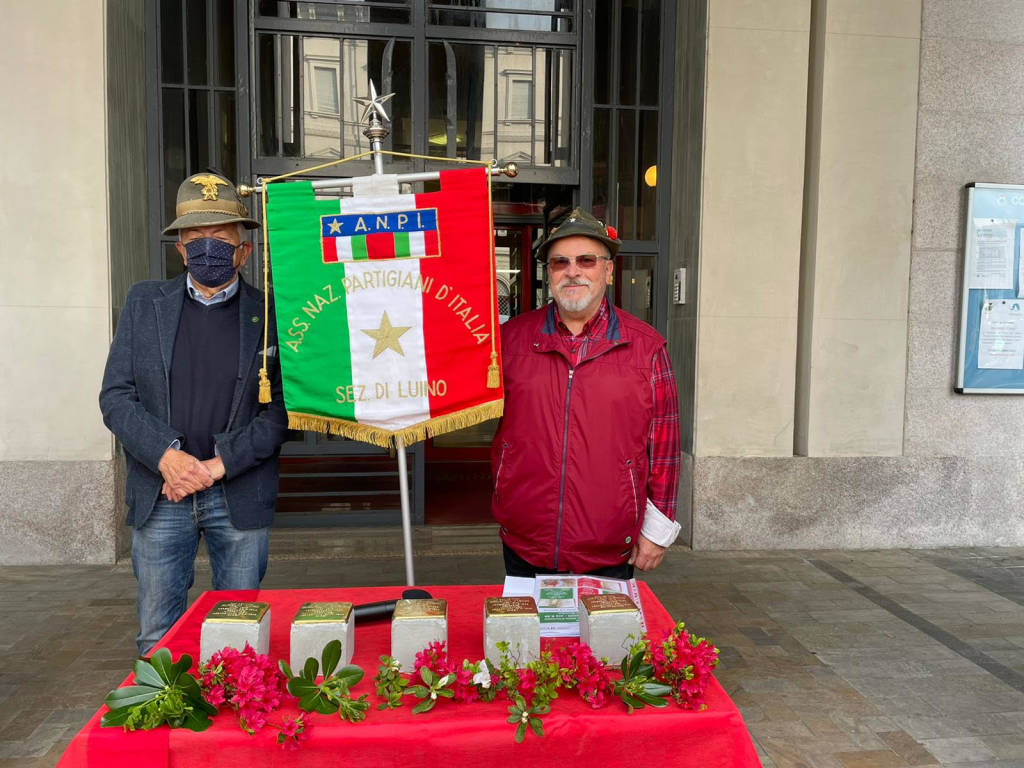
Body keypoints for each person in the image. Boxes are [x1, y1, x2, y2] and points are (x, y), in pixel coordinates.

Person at [100, 172, 288, 655]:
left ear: (243, 250)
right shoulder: (145, 304)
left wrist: (212, 467)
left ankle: (234, 718)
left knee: (241, 631)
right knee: (157, 631)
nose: (207, 248)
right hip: (163, 493)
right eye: (195, 239)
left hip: (237, 492)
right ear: (180, 250)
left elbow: (279, 415)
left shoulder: (271, 314)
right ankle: (162, 718)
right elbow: (116, 396)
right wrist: (169, 458)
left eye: (220, 239)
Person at [491, 208, 681, 579]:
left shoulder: (646, 349)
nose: (573, 270)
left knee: (605, 639)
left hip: (610, 543)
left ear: (608, 271)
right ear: (550, 273)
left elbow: (666, 450)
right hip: (525, 540)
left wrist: (657, 533)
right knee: (524, 638)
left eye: (586, 260)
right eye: (560, 262)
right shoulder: (510, 340)